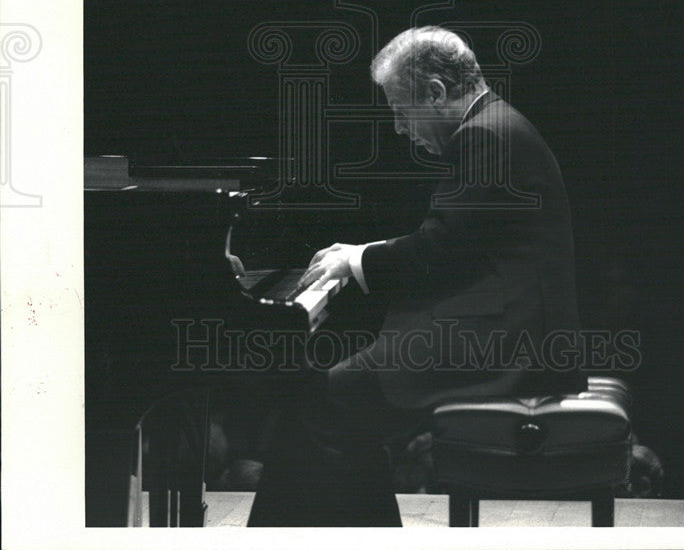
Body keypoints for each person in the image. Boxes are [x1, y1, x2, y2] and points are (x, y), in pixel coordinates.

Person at [248, 26, 581, 526]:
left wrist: (358, 259)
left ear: (436, 93)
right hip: (507, 329)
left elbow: (438, 251)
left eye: (401, 111)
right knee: (336, 401)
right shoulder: (494, 125)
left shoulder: (485, 135)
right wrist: (363, 255)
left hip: (506, 344)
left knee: (322, 403)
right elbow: (455, 244)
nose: (401, 129)